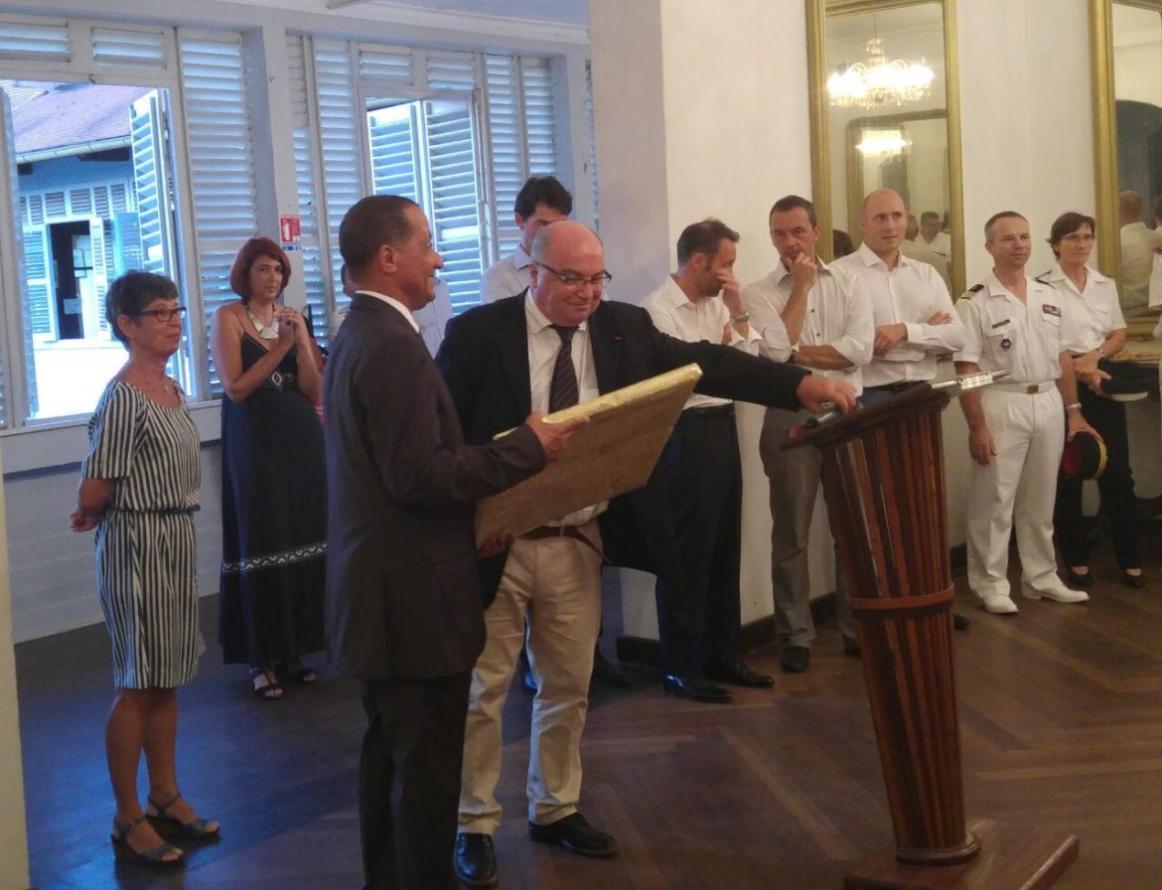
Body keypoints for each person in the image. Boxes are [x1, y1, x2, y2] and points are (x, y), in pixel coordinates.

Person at [438, 220, 854, 887]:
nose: (587, 292)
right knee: (483, 693)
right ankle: (474, 824)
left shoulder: (622, 328)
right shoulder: (476, 335)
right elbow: (447, 442)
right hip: (500, 544)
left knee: (567, 686)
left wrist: (796, 383)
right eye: (571, 279)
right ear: (534, 272)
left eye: (596, 278)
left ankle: (555, 806)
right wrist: (470, 522)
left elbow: (707, 363)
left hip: (578, 540)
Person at [323, 194, 580, 890]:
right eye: (426, 244)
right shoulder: (390, 343)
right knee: (425, 775)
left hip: (384, 593)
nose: (438, 258)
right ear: (388, 257)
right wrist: (527, 447)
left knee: (393, 761)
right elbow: (419, 476)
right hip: (410, 600)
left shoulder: (361, 332)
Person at [72, 272, 218, 869]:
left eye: (175, 310)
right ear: (127, 325)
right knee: (137, 682)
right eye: (159, 313)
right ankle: (128, 815)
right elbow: (95, 486)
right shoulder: (124, 397)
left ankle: (164, 794)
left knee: (166, 676)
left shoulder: (170, 387)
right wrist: (88, 510)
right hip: (138, 544)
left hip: (173, 538)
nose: (173, 321)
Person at [642, 218, 773, 704]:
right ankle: (680, 666)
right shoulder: (656, 311)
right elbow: (688, 376)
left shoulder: (719, 304)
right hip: (684, 435)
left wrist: (737, 313)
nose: (731, 274)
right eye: (727, 264)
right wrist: (720, 358)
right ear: (699, 261)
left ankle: (722, 654)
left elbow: (749, 363)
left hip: (722, 427)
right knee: (687, 553)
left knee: (723, 547)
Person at [742, 195, 874, 674]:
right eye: (779, 234)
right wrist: (799, 289)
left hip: (846, 411)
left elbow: (860, 350)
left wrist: (797, 352)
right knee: (791, 530)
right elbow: (776, 356)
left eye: (798, 231)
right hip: (789, 413)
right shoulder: (758, 292)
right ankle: (795, 634)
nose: (789, 242)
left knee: (851, 528)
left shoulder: (851, 282)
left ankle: (856, 628)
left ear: (816, 232)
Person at [954, 211, 1098, 615]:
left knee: (1041, 498)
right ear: (989, 247)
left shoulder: (1048, 294)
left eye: (1024, 237)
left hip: (1048, 399)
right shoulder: (974, 301)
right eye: (1008, 239)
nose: (1018, 246)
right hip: (1002, 400)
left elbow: (1063, 357)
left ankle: (1040, 577)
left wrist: (1073, 411)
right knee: (994, 499)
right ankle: (990, 583)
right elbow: (966, 367)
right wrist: (977, 425)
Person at [211, 237, 326, 701]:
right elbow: (236, 388)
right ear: (245, 274)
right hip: (255, 442)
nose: (272, 278)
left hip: (299, 440)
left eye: (278, 270)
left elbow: (312, 390)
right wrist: (280, 347)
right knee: (262, 534)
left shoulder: (292, 319)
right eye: (263, 269)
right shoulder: (228, 318)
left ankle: (293, 649)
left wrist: (302, 343)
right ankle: (260, 656)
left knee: (300, 533)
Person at [1036, 212, 1143, 589]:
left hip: (1101, 381)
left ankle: (1129, 557)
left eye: (1086, 237)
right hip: (1061, 385)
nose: (1081, 245)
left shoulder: (1103, 284)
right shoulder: (1040, 288)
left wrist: (1094, 358)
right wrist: (1078, 368)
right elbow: (1048, 344)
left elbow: (1118, 334)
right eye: (1072, 238)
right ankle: (1076, 560)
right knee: (1070, 474)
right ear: (1055, 245)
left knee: (1118, 474)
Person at [833, 189, 965, 406]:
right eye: (881, 218)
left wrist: (904, 332)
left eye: (897, 216)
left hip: (923, 394)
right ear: (863, 223)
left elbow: (957, 337)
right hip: (867, 398)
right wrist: (926, 334)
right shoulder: (839, 275)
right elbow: (836, 345)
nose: (890, 226)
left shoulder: (926, 273)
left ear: (907, 220)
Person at [481, 175, 572, 303]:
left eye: (559, 225)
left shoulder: (581, 267)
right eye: (543, 224)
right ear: (519, 220)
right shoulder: (497, 277)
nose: (553, 233)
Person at [1119, 190, 1153, 312]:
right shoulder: (1156, 238)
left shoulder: (1116, 244)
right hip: (1156, 307)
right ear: (1142, 210)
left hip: (1128, 309)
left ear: (1118, 211)